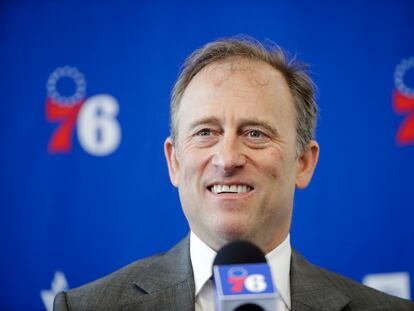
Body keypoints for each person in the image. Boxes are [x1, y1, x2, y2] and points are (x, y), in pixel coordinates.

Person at [54, 36, 414, 311]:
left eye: (255, 133)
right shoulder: (87, 306)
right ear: (174, 162)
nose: (227, 159)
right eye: (206, 132)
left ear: (303, 162)